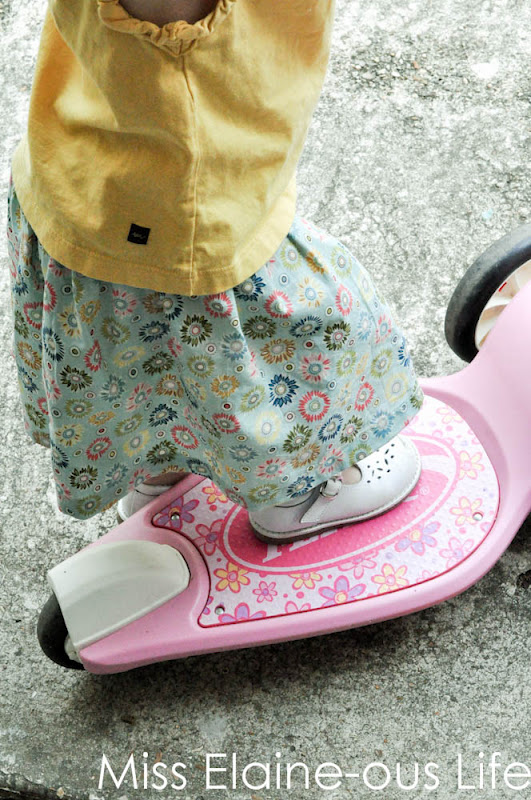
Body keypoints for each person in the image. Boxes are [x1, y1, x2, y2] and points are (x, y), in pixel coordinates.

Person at [6, 0, 423, 545]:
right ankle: (293, 492)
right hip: (192, 209)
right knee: (265, 347)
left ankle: (158, 471)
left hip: (82, 176)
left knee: (139, 353)